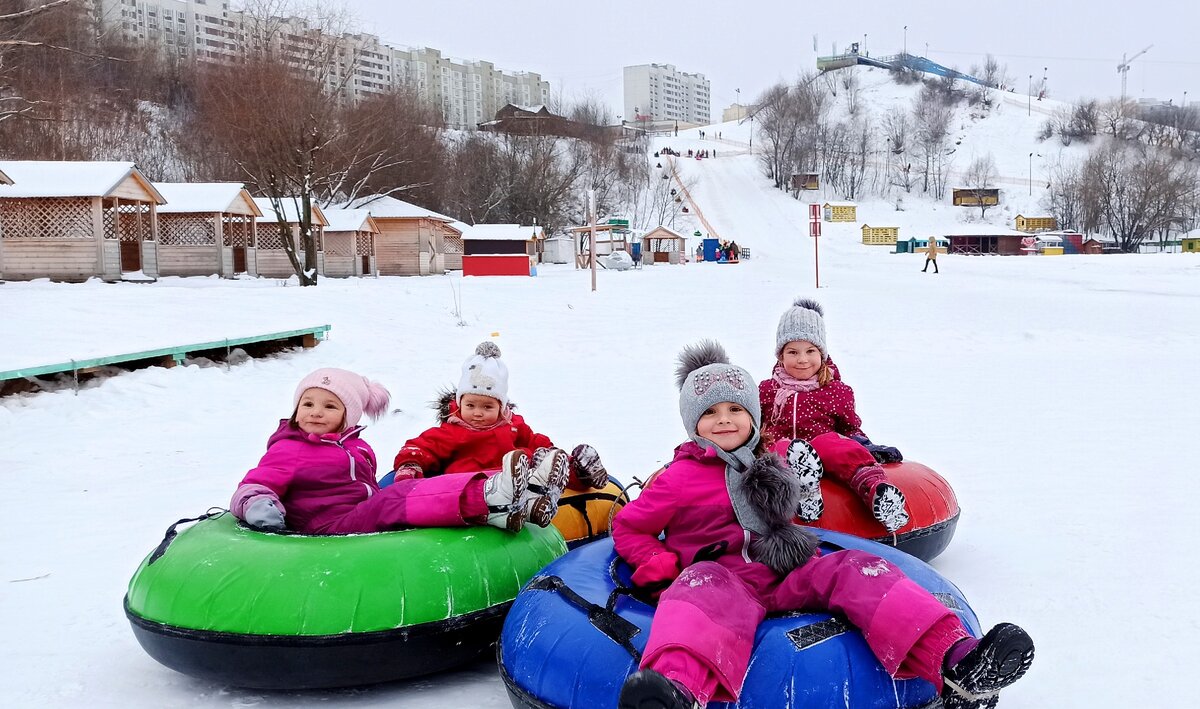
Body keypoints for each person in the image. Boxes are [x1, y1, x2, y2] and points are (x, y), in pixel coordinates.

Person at [613, 342, 1034, 709]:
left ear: (753, 416)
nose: (725, 420)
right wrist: (659, 564)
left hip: (786, 567)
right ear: (692, 422)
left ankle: (956, 659)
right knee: (698, 593)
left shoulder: (769, 460)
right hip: (723, 576)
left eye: (736, 409)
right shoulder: (677, 478)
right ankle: (675, 689)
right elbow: (630, 527)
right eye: (711, 412)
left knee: (856, 568)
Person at [229, 367, 560, 535]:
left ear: (349, 416)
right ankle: (491, 493)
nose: (316, 412)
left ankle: (521, 497)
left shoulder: (353, 446)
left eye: (330, 406)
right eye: (308, 403)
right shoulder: (291, 448)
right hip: (326, 527)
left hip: (355, 513)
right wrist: (259, 504)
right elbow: (258, 482)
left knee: (399, 495)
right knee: (399, 496)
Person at [392, 342, 609, 525]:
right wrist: (410, 464)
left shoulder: (512, 425)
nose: (477, 413)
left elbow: (533, 440)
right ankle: (532, 492)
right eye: (470, 405)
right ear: (459, 404)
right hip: (477, 485)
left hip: (517, 477)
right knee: (520, 469)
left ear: (501, 407)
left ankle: (581, 473)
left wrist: (548, 451)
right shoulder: (452, 430)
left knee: (536, 458)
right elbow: (422, 446)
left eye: (487, 407)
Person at [759, 299, 909, 532]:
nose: (802, 359)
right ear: (780, 356)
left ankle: (875, 490)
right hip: (781, 454)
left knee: (831, 442)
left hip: (823, 452)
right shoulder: (768, 390)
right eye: (793, 351)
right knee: (780, 447)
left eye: (810, 351)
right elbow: (753, 426)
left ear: (822, 354)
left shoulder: (836, 391)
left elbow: (849, 430)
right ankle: (805, 488)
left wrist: (867, 446)